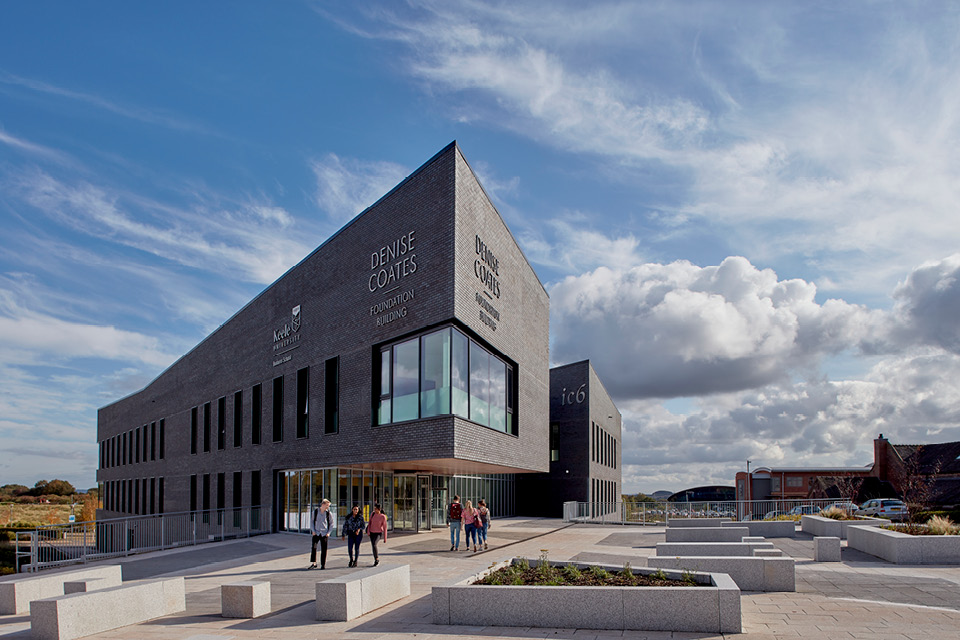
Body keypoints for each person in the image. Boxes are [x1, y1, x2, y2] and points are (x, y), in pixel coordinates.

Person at [309, 498, 336, 569]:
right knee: (314, 547)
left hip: (324, 533)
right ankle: (313, 563)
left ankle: (323, 564)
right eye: (327, 505)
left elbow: (331, 523)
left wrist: (328, 533)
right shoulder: (315, 512)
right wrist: (313, 531)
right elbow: (312, 522)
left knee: (324, 549)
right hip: (316, 532)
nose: (328, 507)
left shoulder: (328, 513)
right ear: (323, 504)